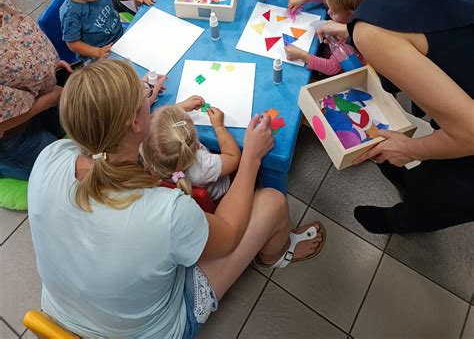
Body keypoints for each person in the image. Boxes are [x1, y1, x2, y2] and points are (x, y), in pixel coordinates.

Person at [28, 60, 326, 338]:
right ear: (135, 123)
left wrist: (162, 111)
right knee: (272, 202)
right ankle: (277, 255)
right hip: (146, 331)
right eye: (145, 96)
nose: (151, 99)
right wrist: (251, 156)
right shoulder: (166, 212)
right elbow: (229, 234)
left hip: (59, 316)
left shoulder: (49, 158)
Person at [291, 0, 474, 234]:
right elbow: (438, 21)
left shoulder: (374, 30)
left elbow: (469, 132)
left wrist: (407, 148)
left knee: (448, 191)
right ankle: (413, 184)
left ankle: (404, 221)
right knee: (438, 165)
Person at [0, 0, 68, 179]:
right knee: (65, 171)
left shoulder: (3, 3)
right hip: (14, 135)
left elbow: (22, 41)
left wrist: (47, 64)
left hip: (45, 92)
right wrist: (50, 100)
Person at [141, 103, 240, 201]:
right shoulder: (204, 165)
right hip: (221, 190)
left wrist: (182, 107)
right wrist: (219, 127)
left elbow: (159, 130)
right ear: (195, 141)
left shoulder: (145, 151)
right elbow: (233, 157)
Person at [285, 0, 369, 75]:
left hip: (340, 74)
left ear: (351, 14)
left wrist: (303, 56)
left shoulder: (350, 43)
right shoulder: (354, 9)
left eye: (334, 12)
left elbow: (332, 68)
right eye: (329, 7)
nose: (328, 12)